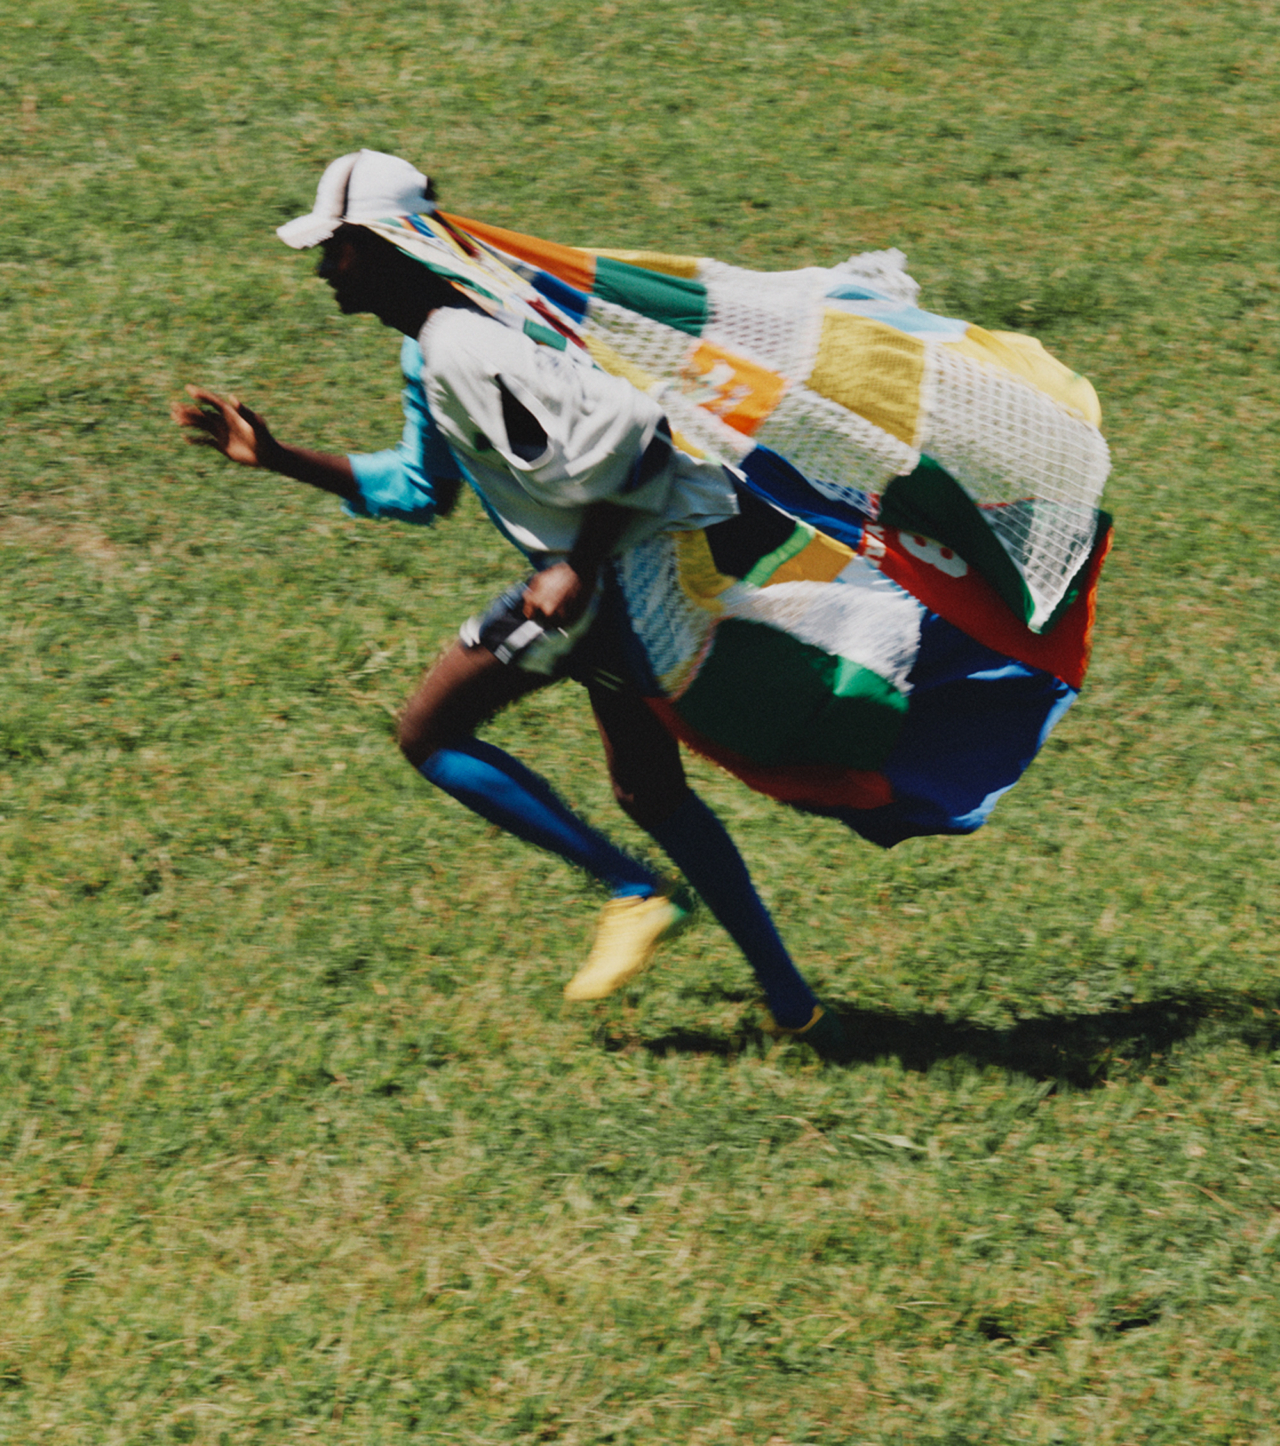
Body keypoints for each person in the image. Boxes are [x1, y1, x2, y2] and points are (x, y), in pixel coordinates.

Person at [174, 150, 843, 1053]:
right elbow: (421, 487)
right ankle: (794, 1004)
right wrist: (281, 457)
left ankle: (635, 890)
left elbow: (639, 432)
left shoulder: (468, 342)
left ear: (384, 246)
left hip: (613, 582)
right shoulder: (432, 345)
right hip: (623, 573)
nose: (324, 269)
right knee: (650, 791)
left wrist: (578, 564)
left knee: (429, 732)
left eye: (336, 248)